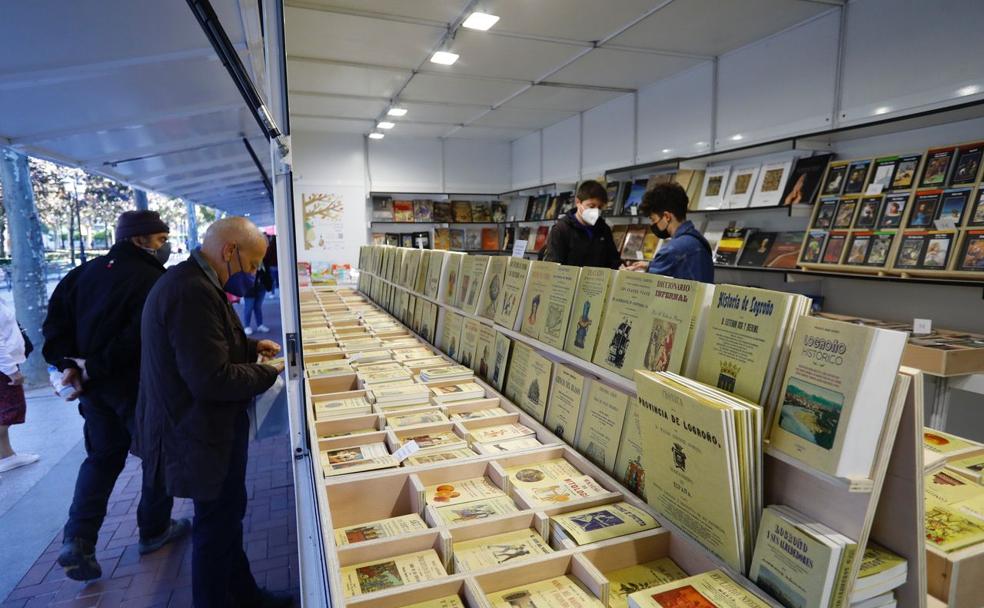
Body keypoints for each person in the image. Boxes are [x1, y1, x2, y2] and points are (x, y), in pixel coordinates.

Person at [134, 216, 289, 608]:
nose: (254, 275)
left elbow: (204, 346)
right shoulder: (191, 291)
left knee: (224, 521)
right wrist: (265, 372)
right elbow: (211, 378)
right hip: (198, 433)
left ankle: (246, 595)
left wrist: (251, 347)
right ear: (230, 251)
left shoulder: (194, 282)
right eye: (253, 265)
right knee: (216, 528)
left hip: (202, 429)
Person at [42, 210, 187, 581]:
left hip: (93, 393)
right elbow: (141, 336)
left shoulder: (82, 273)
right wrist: (96, 365)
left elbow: (54, 326)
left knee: (101, 459)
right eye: (160, 238)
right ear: (139, 239)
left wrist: (69, 364)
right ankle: (154, 529)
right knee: (156, 454)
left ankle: (78, 539)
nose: (165, 245)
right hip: (139, 387)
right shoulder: (152, 277)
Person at [626, 183, 714, 283]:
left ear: (667, 216)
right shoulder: (699, 240)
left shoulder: (671, 250)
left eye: (653, 219)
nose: (653, 224)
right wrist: (650, 266)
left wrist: (626, 275)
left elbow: (648, 288)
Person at [541, 180, 621, 268]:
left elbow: (613, 260)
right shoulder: (561, 230)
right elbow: (554, 265)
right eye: (591, 206)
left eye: (600, 207)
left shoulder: (604, 229)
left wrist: (624, 269)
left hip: (599, 281)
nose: (596, 211)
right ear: (578, 202)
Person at [0, 300, 38, 473]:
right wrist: (12, 370)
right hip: (3, 367)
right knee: (12, 409)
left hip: (7, 363)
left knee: (4, 411)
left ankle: (7, 456)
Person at [240, 262, 271, 335]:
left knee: (258, 307)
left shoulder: (264, 262)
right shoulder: (248, 262)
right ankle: (247, 326)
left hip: (261, 287)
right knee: (248, 308)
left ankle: (260, 325)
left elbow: (266, 274)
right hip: (250, 289)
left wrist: (268, 285)